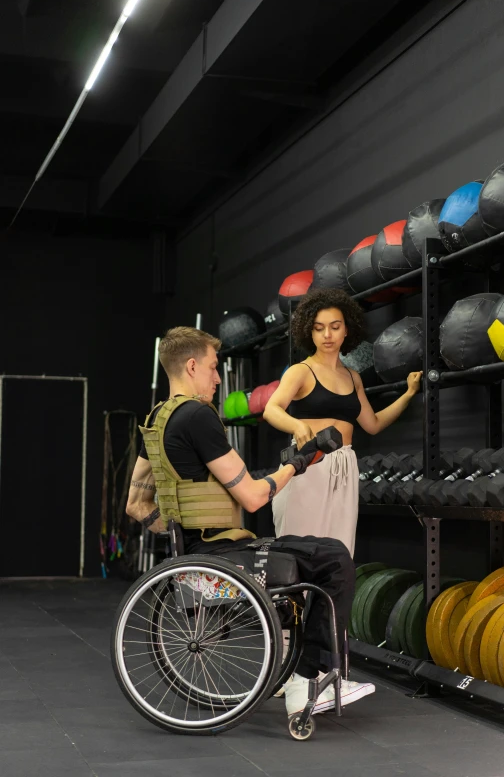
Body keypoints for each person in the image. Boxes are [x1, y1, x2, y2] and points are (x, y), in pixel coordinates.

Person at [126, 326, 375, 718]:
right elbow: (256, 496)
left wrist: (180, 540)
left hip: (197, 551)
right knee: (334, 556)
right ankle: (308, 679)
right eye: (212, 367)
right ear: (191, 366)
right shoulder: (198, 417)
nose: (218, 378)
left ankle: (306, 676)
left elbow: (137, 505)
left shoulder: (157, 420)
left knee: (311, 551)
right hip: (221, 552)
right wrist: (298, 462)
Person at [264, 288, 422, 557]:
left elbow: (372, 423)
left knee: (339, 553)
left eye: (335, 327)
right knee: (298, 552)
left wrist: (407, 395)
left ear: (346, 330)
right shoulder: (301, 371)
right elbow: (271, 409)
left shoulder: (352, 377)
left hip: (344, 466)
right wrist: (297, 426)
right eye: (319, 328)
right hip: (307, 464)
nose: (327, 335)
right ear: (310, 332)